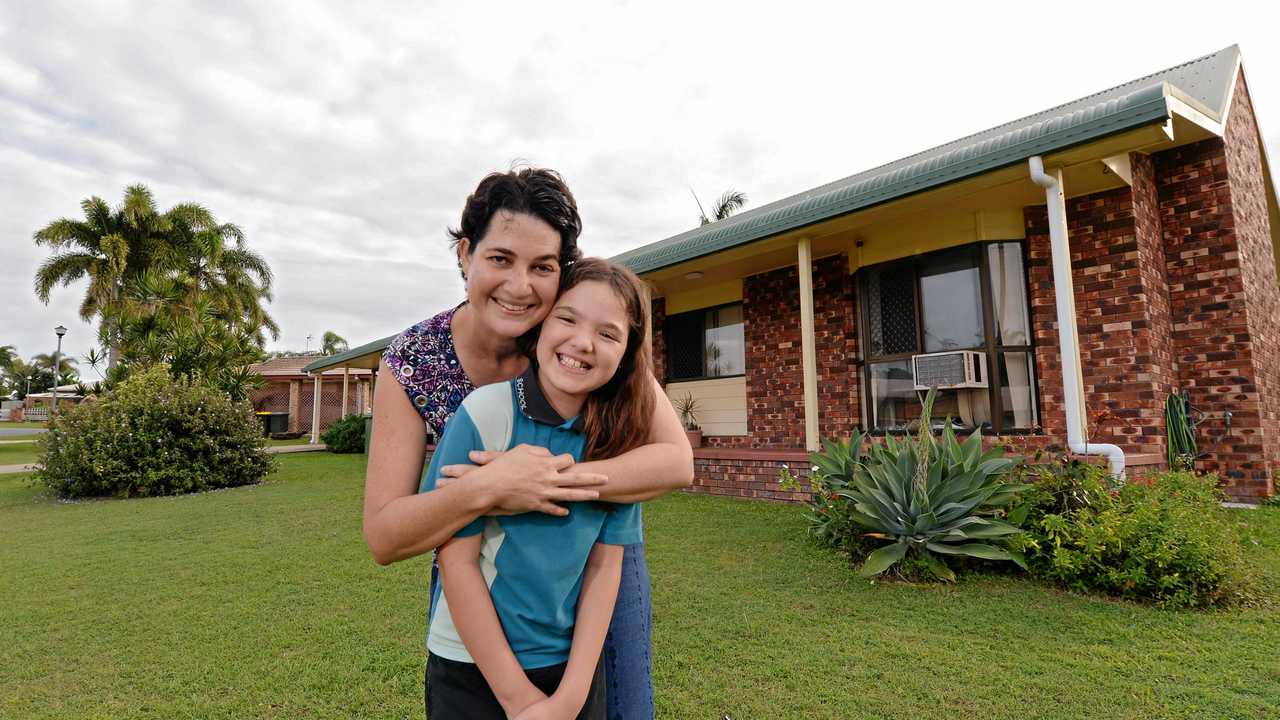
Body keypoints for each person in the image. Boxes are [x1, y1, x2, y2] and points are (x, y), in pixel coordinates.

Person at [363, 167, 693, 718]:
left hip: (591, 554)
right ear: (465, 255)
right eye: (500, 259)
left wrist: (544, 480)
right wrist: (489, 488)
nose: (520, 287)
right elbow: (385, 536)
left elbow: (676, 461)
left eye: (542, 267)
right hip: (478, 570)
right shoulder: (414, 360)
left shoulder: (573, 342)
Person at [425, 258, 654, 719]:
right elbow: (457, 561)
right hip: (471, 664)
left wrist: (570, 697)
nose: (582, 343)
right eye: (567, 319)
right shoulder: (485, 414)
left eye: (608, 334)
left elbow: (603, 569)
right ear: (540, 327)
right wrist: (520, 700)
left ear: (628, 353)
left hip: (569, 668)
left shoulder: (620, 440)